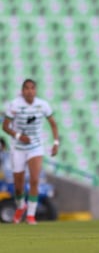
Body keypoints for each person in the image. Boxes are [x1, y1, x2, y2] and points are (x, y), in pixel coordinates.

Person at [2, 79, 59, 225]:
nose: (29, 91)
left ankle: (31, 216)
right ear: (22, 91)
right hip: (18, 148)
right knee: (19, 186)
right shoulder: (15, 105)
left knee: (34, 180)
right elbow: (5, 126)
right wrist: (20, 136)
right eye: (26, 88)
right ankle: (21, 207)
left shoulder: (43, 105)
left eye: (32, 88)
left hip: (35, 147)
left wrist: (55, 143)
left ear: (35, 90)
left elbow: (53, 123)